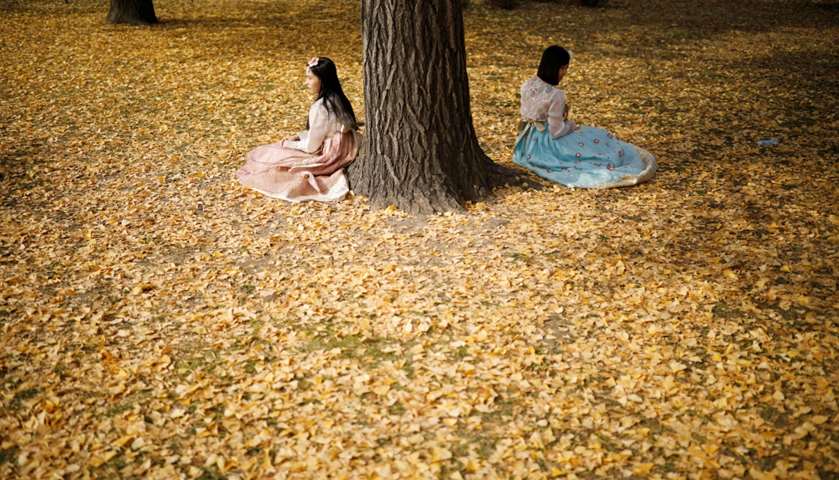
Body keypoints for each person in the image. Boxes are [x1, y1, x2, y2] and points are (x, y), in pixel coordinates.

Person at [513, 46, 656, 188]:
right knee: (596, 138)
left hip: (528, 142)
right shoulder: (556, 95)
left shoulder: (527, 84)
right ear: (555, 68)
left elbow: (532, 113)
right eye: (564, 68)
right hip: (547, 144)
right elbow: (556, 131)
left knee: (592, 136)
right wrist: (572, 126)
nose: (565, 73)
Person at [237, 57, 360, 202]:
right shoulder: (338, 100)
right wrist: (299, 136)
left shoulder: (321, 107)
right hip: (348, 147)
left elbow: (311, 147)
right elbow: (327, 129)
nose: (306, 83)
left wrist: (289, 144)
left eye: (310, 78)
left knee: (272, 154)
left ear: (323, 80)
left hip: (332, 155)